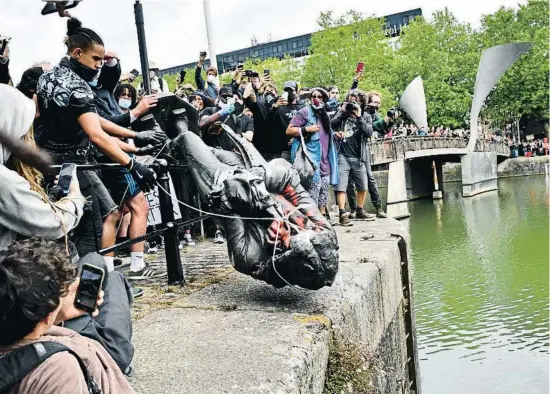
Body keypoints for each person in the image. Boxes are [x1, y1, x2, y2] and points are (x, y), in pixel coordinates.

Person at [35, 18, 156, 265]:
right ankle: (95, 283)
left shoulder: (46, 78)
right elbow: (96, 134)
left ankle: (95, 276)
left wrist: (135, 137)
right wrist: (134, 165)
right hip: (74, 165)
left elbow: (95, 120)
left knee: (83, 220)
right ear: (78, 53)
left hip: (46, 162)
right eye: (96, 59)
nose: (99, 65)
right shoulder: (78, 86)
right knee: (96, 223)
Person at [0, 238, 135, 394]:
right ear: (46, 315)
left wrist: (57, 316)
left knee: (100, 266)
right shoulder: (58, 369)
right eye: (62, 294)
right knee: (114, 278)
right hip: (107, 359)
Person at [287, 88, 338, 214]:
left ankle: (322, 218)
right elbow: (289, 130)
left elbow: (326, 133)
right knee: (314, 190)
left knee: (325, 189)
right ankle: (312, 218)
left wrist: (336, 134)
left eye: (320, 96)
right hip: (311, 159)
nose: (316, 98)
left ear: (324, 100)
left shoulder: (324, 114)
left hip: (325, 159)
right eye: (314, 96)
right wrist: (307, 129)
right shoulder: (304, 112)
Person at [330, 100, 379, 225]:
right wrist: (342, 111)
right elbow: (331, 124)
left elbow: (368, 133)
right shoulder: (342, 114)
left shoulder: (365, 116)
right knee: (341, 186)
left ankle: (360, 210)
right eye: (350, 100)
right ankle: (342, 213)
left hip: (359, 156)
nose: (352, 104)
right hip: (343, 154)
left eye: (356, 100)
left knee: (363, 185)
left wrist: (359, 116)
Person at [263, 80, 303, 161]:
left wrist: (297, 138)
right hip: (283, 149)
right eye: (286, 90)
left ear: (296, 91)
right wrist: (275, 107)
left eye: (291, 90)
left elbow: (307, 125)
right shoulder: (279, 106)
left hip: (299, 145)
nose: (289, 92)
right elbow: (267, 123)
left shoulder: (302, 107)